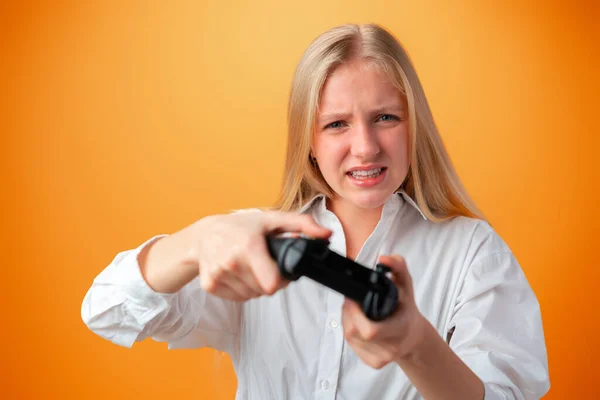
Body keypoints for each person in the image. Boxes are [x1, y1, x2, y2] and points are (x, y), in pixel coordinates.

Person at [81, 23, 550, 399]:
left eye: (385, 117)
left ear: (414, 127)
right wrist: (197, 241)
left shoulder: (471, 253)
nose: (364, 147)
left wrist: (415, 345)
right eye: (336, 124)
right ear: (308, 140)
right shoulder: (255, 244)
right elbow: (105, 310)